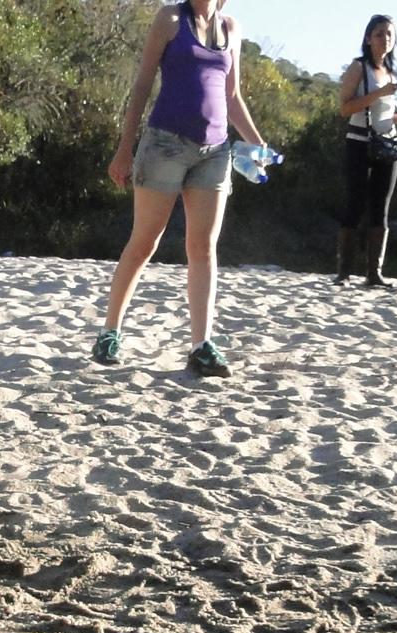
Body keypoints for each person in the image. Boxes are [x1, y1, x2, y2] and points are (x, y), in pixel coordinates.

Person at [90, 0, 268, 378]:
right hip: (164, 145)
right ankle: (110, 331)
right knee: (144, 243)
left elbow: (232, 97)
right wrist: (124, 149)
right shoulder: (170, 19)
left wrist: (258, 143)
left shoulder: (231, 28)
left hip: (215, 153)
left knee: (203, 248)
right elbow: (141, 85)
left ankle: (201, 345)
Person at [334, 15, 397, 289]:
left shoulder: (390, 74)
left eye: (390, 34)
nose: (385, 39)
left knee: (381, 208)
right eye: (380, 33)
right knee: (354, 204)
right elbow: (345, 109)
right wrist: (380, 93)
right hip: (359, 143)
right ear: (368, 38)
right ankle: (344, 272)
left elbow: (383, 113)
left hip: (387, 145)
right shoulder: (359, 68)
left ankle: (374, 273)